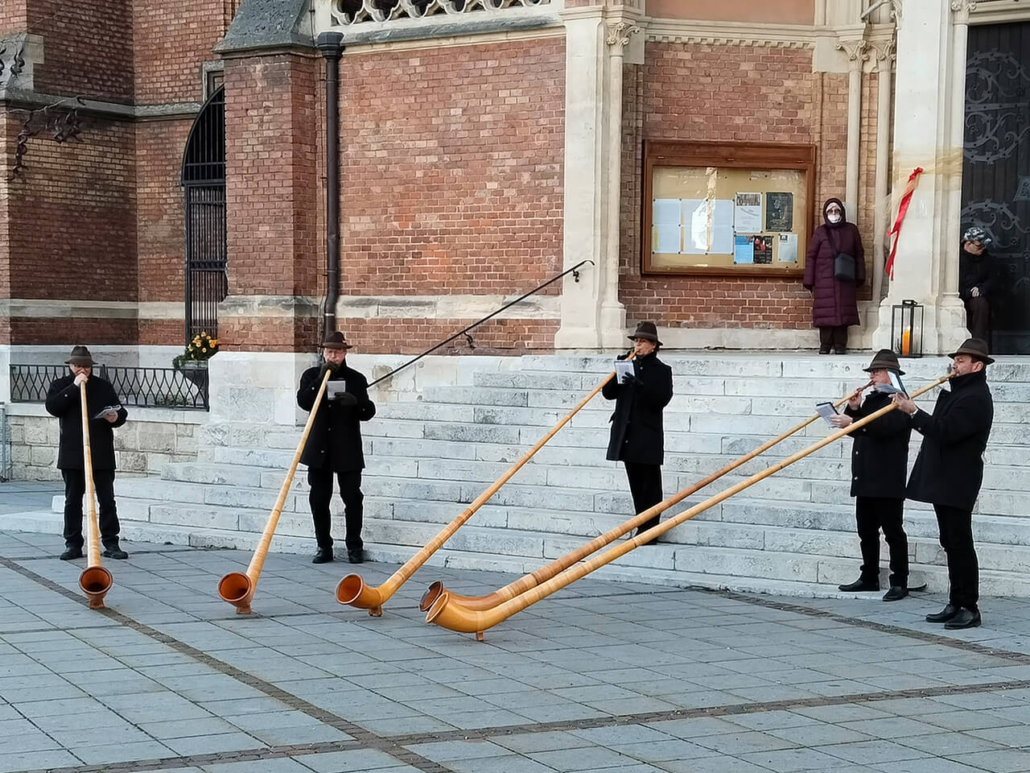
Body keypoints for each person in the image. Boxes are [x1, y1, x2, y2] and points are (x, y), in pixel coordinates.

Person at [893, 338, 994, 630]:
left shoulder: (976, 397)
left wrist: (913, 412)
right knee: (949, 541)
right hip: (945, 476)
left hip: (958, 479)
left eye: (961, 361)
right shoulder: (959, 392)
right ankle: (955, 600)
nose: (955, 365)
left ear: (977, 365)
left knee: (960, 543)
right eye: (955, 360)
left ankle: (969, 606)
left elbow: (947, 431)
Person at [830, 350, 912, 601]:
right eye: (872, 372)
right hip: (866, 473)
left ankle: (899, 581)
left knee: (892, 530)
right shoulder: (874, 399)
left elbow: (885, 428)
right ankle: (869, 576)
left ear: (892, 374)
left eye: (877, 372)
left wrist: (855, 420)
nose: (873, 376)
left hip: (887, 475)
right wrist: (853, 409)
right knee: (865, 529)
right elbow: (862, 430)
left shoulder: (900, 399)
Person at [298, 331, 376, 564]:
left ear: (344, 353)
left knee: (352, 497)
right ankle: (324, 546)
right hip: (319, 447)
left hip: (346, 447)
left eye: (338, 352)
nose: (334, 356)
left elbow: (368, 412)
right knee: (319, 498)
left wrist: (356, 403)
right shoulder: (311, 375)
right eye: (330, 352)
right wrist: (319, 381)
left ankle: (354, 546)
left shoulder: (356, 378)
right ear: (324, 353)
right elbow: (303, 402)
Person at [45, 346, 129, 561]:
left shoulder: (102, 386)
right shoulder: (60, 385)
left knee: (107, 500)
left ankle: (111, 542)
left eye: (86, 366)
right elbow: (53, 407)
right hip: (73, 454)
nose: (82, 370)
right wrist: (73, 387)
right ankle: (73, 544)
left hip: (100, 452)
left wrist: (115, 417)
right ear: (71, 366)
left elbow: (120, 412)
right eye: (78, 366)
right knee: (73, 500)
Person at [602, 321, 673, 544]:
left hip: (647, 434)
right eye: (636, 341)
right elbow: (608, 393)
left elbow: (662, 399)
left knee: (649, 483)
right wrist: (618, 371)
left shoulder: (661, 370)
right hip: (627, 432)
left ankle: (650, 528)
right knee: (635, 481)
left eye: (642, 342)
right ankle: (639, 523)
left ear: (653, 345)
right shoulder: (627, 363)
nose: (638, 346)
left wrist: (639, 385)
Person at [803, 198, 865, 354]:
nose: (834, 213)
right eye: (830, 211)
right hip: (824, 279)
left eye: (836, 210)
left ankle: (840, 345)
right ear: (825, 213)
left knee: (842, 314)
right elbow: (811, 256)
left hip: (845, 279)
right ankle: (825, 345)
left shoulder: (851, 231)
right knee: (825, 314)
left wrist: (860, 277)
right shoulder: (820, 232)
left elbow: (859, 254)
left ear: (842, 212)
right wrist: (809, 280)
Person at [959, 226, 993, 345]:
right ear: (968, 244)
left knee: (981, 304)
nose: (982, 249)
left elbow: (992, 279)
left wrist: (981, 289)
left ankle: (978, 344)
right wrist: (968, 292)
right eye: (979, 246)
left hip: (977, 296)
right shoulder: (956, 258)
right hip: (959, 296)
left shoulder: (986, 259)